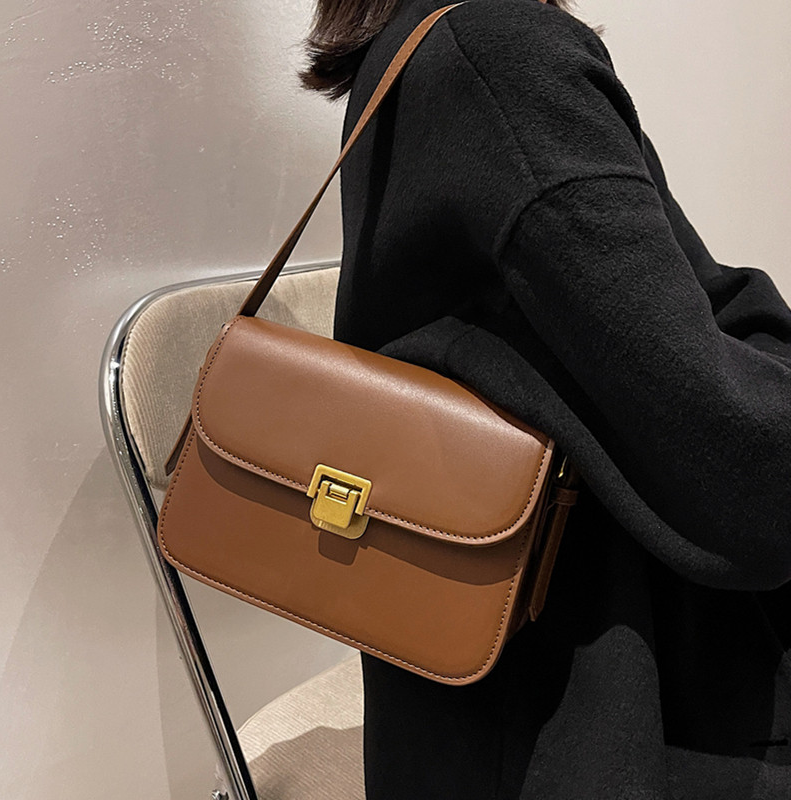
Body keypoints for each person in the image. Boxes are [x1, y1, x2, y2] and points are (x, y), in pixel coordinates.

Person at [299, 0, 791, 797]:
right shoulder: (500, 57)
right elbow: (747, 475)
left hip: (471, 717)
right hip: (598, 719)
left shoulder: (417, 47)